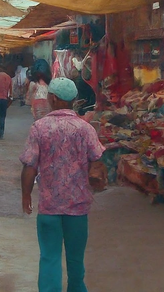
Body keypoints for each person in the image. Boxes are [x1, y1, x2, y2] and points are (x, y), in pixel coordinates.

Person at [20, 77, 105, 292]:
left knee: (49, 258)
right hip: (78, 208)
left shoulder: (39, 128)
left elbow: (29, 166)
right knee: (76, 260)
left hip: (49, 208)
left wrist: (26, 196)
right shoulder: (85, 129)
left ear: (54, 98)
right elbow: (97, 161)